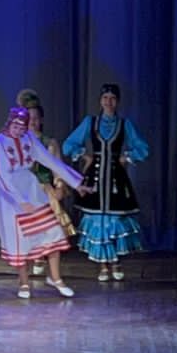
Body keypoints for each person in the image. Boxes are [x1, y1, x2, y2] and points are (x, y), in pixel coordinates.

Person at [0, 106, 89, 299]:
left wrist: (76, 183)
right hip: (11, 195)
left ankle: (56, 278)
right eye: (15, 126)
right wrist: (20, 201)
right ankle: (24, 283)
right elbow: (3, 176)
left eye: (22, 127)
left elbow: (50, 161)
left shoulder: (29, 138)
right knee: (21, 239)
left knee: (53, 231)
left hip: (31, 189)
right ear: (9, 123)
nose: (19, 131)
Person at [63, 83, 150, 282]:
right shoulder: (91, 122)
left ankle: (116, 261)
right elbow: (69, 144)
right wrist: (84, 155)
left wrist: (126, 157)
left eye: (112, 98)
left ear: (117, 101)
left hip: (116, 179)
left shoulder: (124, 124)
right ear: (100, 101)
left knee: (114, 220)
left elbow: (142, 148)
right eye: (105, 98)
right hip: (95, 177)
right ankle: (103, 265)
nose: (108, 102)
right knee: (98, 221)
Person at [16, 89, 77, 276]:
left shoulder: (49, 143)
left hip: (43, 188)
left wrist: (59, 185)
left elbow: (58, 167)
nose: (32, 122)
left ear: (41, 120)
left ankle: (41, 257)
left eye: (36, 118)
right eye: (29, 118)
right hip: (25, 190)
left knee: (45, 224)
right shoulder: (17, 142)